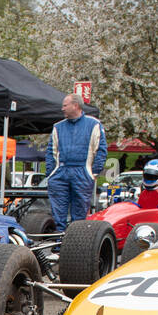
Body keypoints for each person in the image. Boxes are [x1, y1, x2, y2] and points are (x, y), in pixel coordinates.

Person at [45, 93, 107, 227]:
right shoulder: (58, 126)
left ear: (76, 106)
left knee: (79, 211)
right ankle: (58, 239)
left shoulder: (94, 124)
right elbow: (51, 151)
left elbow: (101, 150)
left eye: (65, 106)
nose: (62, 109)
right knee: (58, 209)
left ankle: (75, 240)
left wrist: (93, 173)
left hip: (82, 172)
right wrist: (50, 173)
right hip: (61, 171)